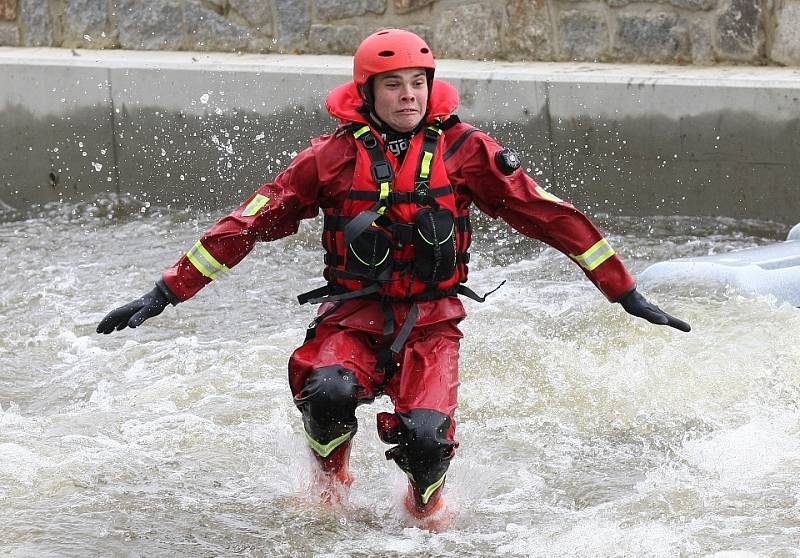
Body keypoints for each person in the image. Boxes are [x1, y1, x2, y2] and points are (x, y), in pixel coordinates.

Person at [97, 29, 690, 527]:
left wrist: (624, 291)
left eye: (418, 83)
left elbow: (549, 215)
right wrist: (166, 292)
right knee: (326, 394)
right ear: (367, 92)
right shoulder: (328, 158)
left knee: (428, 440)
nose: (409, 96)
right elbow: (245, 224)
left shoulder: (467, 150)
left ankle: (424, 503)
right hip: (353, 315)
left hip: (433, 321)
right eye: (393, 84)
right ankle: (331, 478)